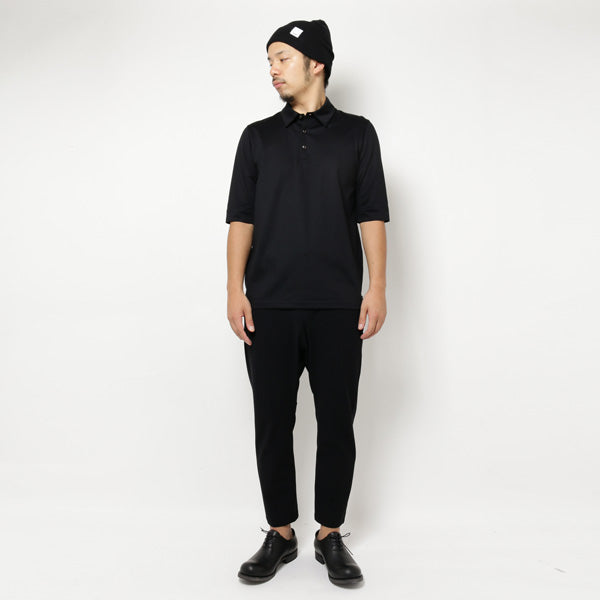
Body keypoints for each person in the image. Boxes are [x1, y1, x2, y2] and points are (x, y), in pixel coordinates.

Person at [225, 19, 390, 586]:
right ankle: (280, 533)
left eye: (282, 58)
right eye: (269, 60)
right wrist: (234, 289)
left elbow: (371, 214)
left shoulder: (358, 135)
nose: (272, 69)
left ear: (316, 63)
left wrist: (377, 287)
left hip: (337, 306)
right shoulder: (257, 137)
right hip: (268, 305)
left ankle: (329, 534)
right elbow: (240, 218)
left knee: (337, 422)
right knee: (272, 422)